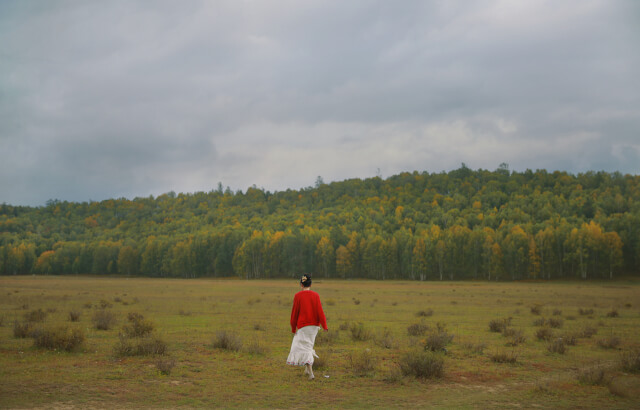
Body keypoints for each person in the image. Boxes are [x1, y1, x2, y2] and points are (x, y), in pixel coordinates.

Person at [286, 274, 328, 380]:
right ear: (311, 284)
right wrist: (324, 325)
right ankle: (306, 370)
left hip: (303, 326)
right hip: (314, 327)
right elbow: (320, 311)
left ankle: (311, 373)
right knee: (308, 346)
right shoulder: (316, 295)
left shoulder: (298, 296)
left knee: (302, 347)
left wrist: (293, 327)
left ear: (301, 284)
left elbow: (294, 313)